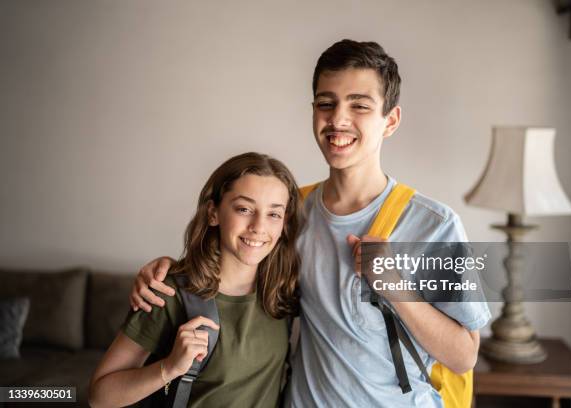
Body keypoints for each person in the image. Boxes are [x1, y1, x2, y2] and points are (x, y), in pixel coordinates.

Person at [129, 40, 491, 407]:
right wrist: (167, 271)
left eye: (360, 106)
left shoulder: (435, 225)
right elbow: (228, 269)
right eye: (326, 103)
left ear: (390, 121)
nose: (338, 119)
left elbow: (464, 356)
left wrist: (396, 288)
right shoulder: (290, 213)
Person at [89, 152, 302, 407]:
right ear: (213, 213)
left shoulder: (284, 291)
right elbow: (99, 396)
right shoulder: (168, 292)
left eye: (273, 214)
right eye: (244, 209)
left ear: (284, 223)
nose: (258, 226)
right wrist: (168, 368)